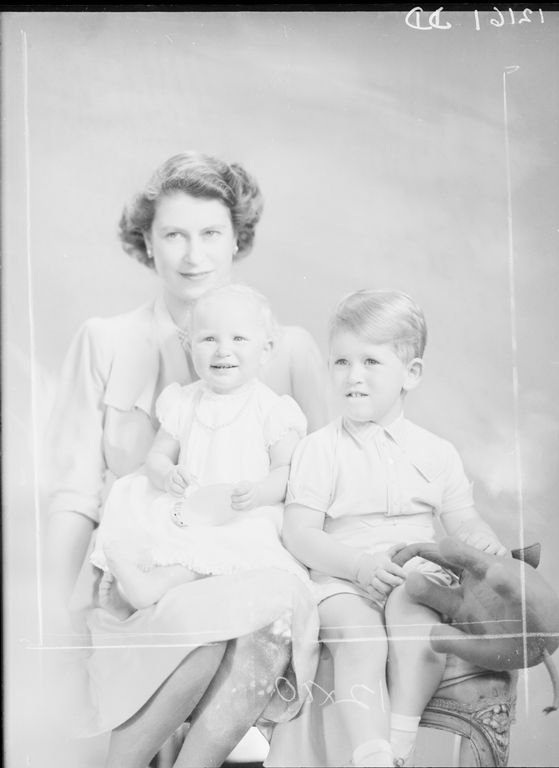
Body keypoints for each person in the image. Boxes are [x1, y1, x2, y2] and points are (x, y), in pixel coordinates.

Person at [43, 151, 327, 768]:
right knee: (192, 639)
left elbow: (318, 489)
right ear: (147, 240)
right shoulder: (107, 340)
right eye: (174, 234)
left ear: (236, 239)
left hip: (246, 556)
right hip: (133, 568)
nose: (193, 255)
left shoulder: (288, 350)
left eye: (210, 234)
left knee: (261, 627)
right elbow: (75, 493)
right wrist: (56, 614)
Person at [269, 290, 506, 768]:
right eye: (341, 361)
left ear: (410, 374)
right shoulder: (320, 449)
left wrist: (482, 540)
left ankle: (399, 736)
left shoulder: (436, 452)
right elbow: (300, 533)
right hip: (340, 579)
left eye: (370, 362)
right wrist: (357, 567)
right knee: (361, 637)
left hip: (415, 576)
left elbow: (461, 520)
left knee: (416, 618)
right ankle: (369, 751)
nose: (353, 375)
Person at [91, 284, 311, 615]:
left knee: (235, 541)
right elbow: (158, 455)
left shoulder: (272, 409)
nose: (223, 351)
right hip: (192, 505)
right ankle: (131, 578)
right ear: (188, 345)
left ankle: (154, 584)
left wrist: (260, 492)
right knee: (136, 498)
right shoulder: (182, 401)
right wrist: (167, 473)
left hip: (243, 510)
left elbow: (286, 471)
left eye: (238, 339)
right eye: (209, 339)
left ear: (266, 350)